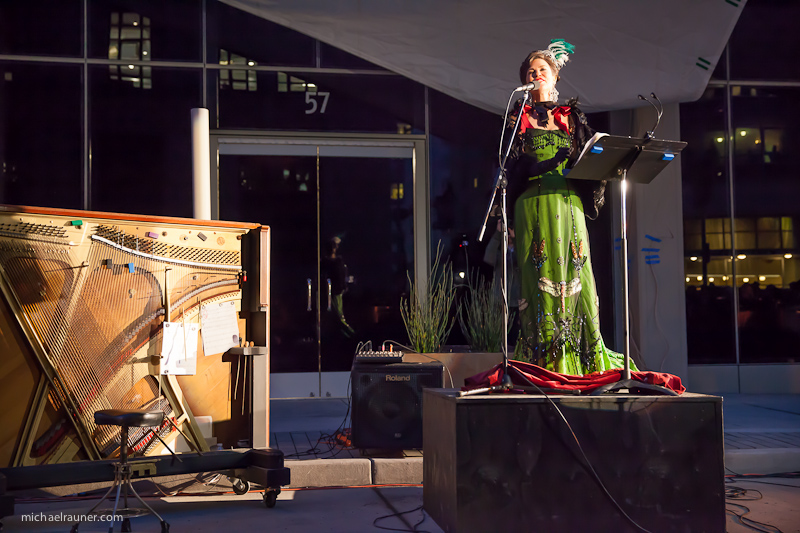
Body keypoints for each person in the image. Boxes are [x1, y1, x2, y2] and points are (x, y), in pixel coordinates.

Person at [505, 39, 631, 375]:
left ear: (555, 76)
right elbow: (510, 168)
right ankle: (541, 360)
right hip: (532, 204)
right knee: (537, 277)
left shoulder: (571, 117)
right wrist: (544, 165)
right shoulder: (517, 118)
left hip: (567, 202)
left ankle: (582, 359)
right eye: (530, 72)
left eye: (542, 69)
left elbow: (589, 161)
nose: (536, 75)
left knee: (577, 275)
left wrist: (587, 161)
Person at [320, 236, 355, 338]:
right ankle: (351, 336)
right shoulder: (329, 262)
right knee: (335, 318)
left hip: (336, 292)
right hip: (330, 292)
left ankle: (353, 336)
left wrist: (343, 287)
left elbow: (341, 276)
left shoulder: (337, 262)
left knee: (338, 317)